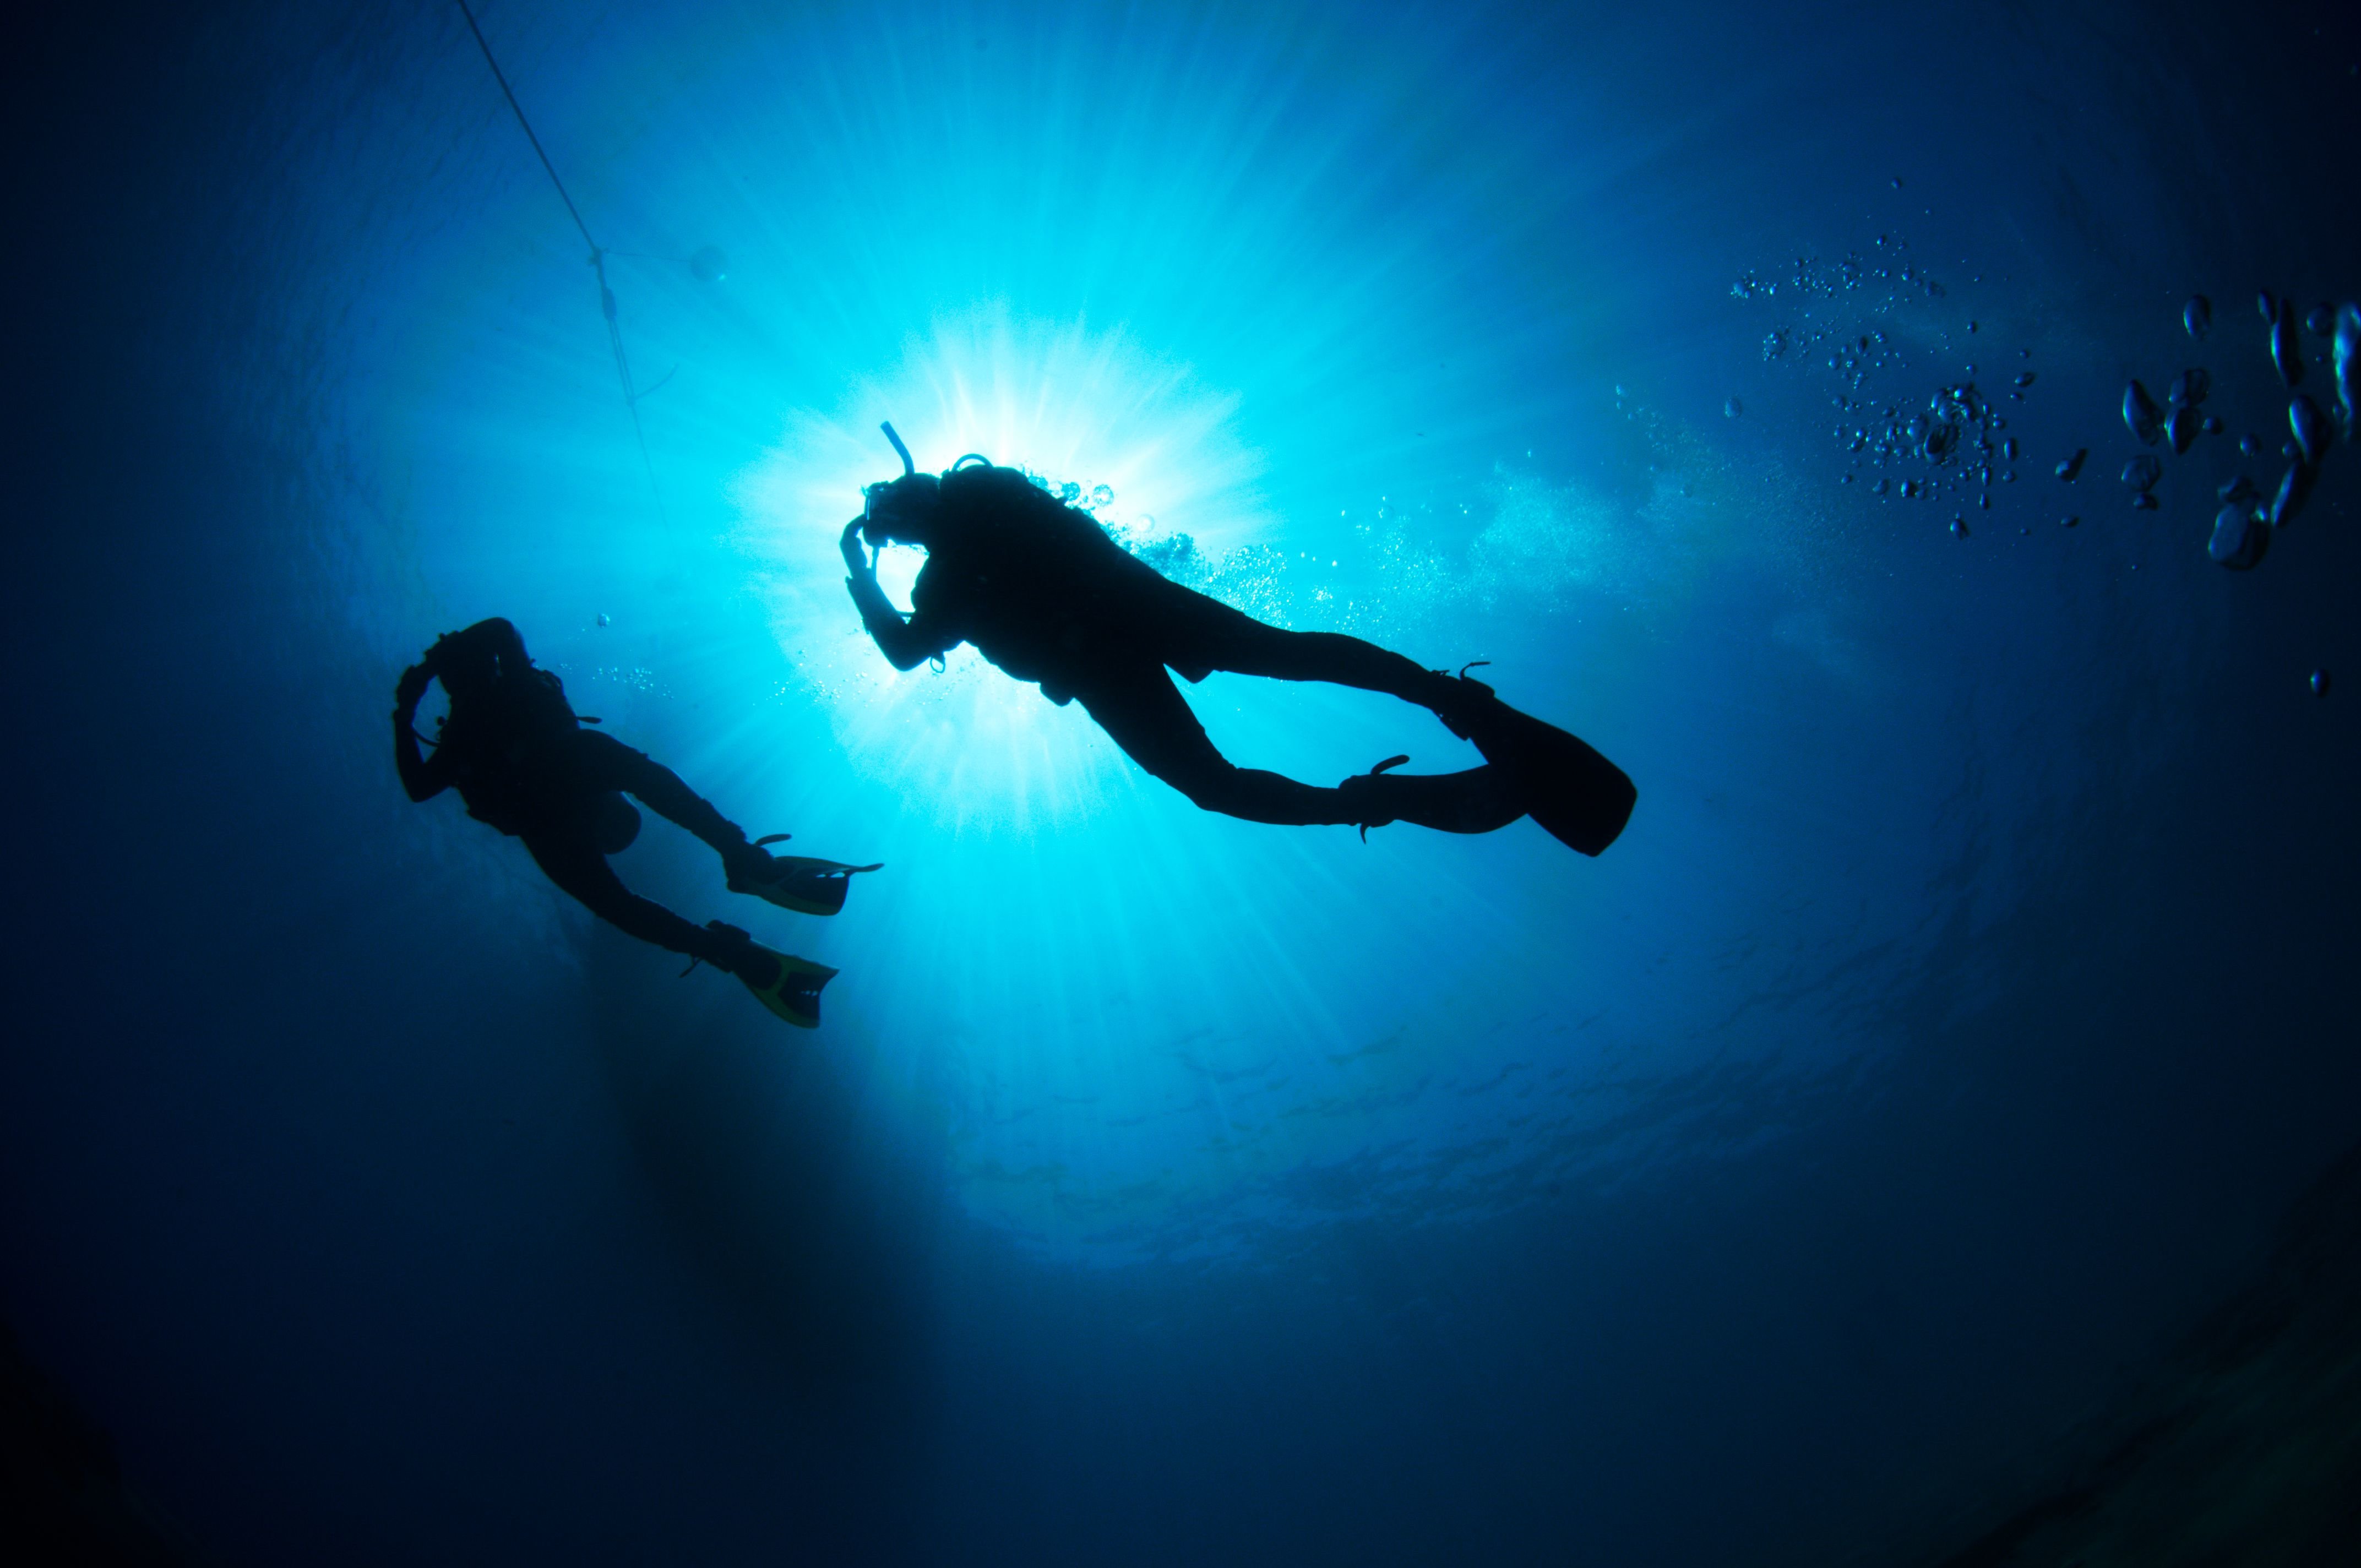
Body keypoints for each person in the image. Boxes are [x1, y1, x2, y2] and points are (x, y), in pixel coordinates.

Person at [840, 426, 1635, 853]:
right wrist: (873, 570)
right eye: (894, 507)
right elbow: (922, 641)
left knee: (1247, 730)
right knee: (1273, 685)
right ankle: (1416, 734)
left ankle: (1404, 750)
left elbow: (909, 650)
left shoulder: (958, 536)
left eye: (894, 500)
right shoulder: (963, 535)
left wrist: (861, 578)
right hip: (1130, 628)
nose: (903, 503)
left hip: (1114, 640)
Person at [392, 617, 838, 1026]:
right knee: (627, 823)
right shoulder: (473, 725)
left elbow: (500, 631)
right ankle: (736, 869)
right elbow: (418, 786)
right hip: (557, 804)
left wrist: (410, 703)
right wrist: (412, 702)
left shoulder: (475, 722)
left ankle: (725, 907)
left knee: (614, 888)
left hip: (555, 807)